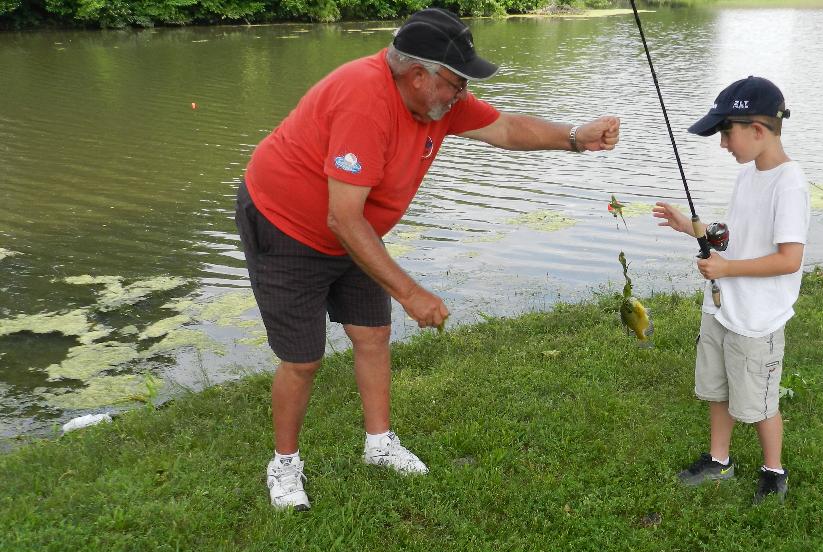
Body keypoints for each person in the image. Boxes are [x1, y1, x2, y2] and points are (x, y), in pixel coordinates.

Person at [235, 7, 620, 511]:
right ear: (418, 75)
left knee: (373, 335)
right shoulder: (363, 104)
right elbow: (342, 220)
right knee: (303, 359)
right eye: (457, 82)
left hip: (354, 228)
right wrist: (411, 292)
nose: (463, 94)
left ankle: (379, 444)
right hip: (287, 226)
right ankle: (284, 464)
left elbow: (505, 129)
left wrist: (574, 138)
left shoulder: (438, 100)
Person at [652, 76, 809, 505]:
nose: (723, 143)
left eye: (726, 132)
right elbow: (730, 236)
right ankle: (719, 460)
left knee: (759, 401)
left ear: (757, 130)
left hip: (757, 320)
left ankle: (773, 471)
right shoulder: (748, 176)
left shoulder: (789, 183)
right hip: (722, 309)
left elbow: (789, 259)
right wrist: (693, 229)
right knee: (718, 390)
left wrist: (727, 267)